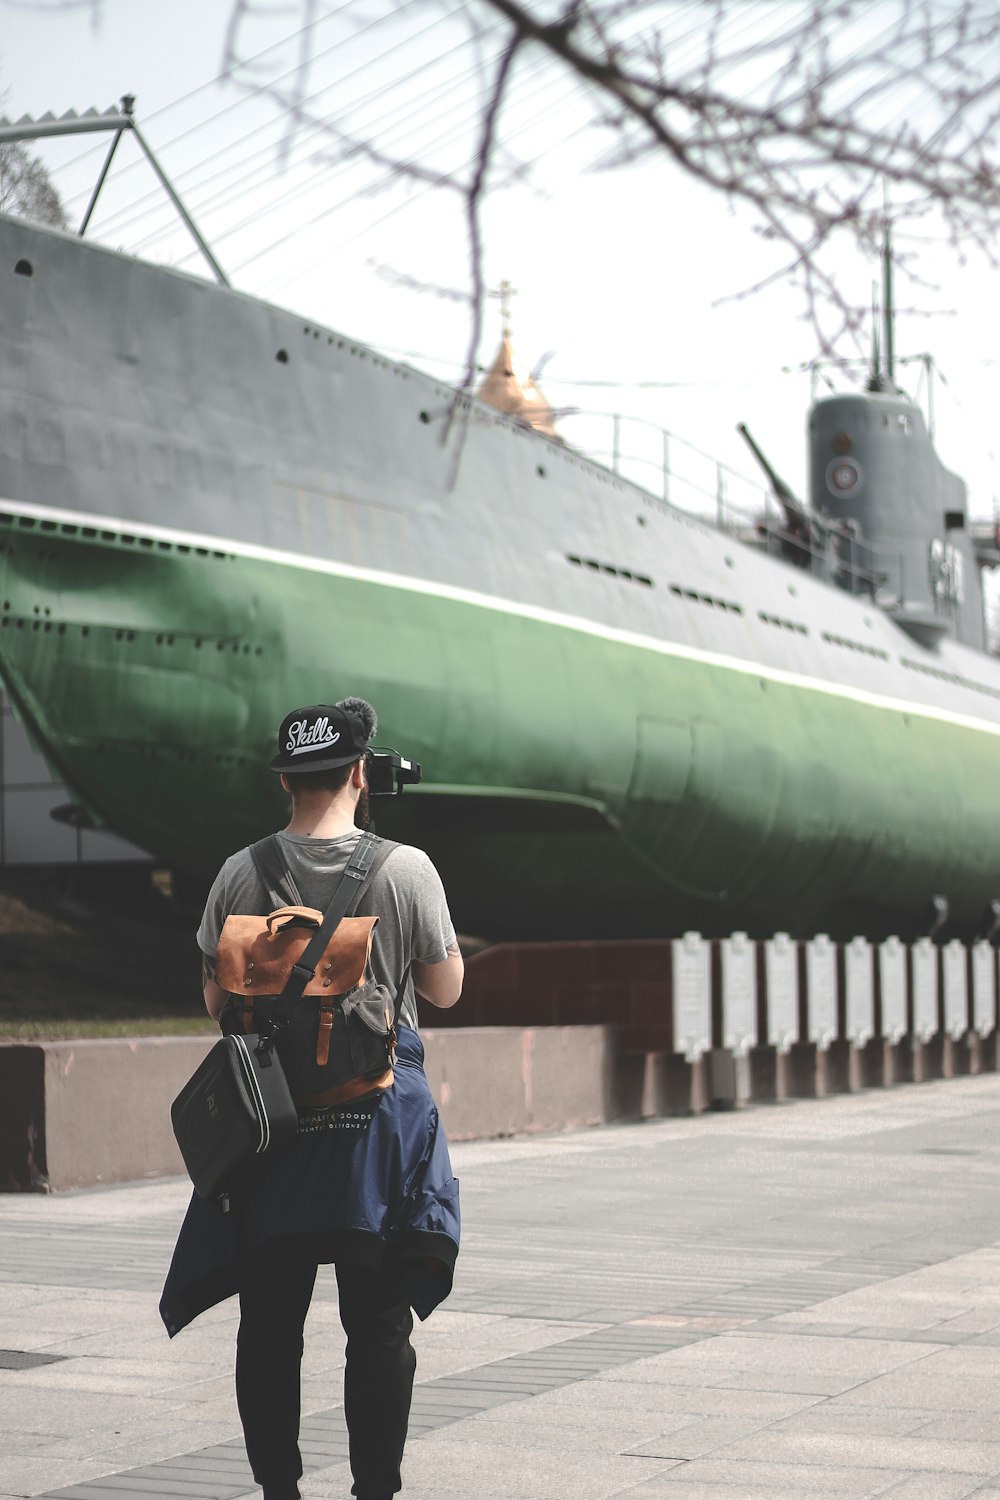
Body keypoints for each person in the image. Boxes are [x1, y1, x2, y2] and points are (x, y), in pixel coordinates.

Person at [160, 697, 463, 1500]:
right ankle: (374, 1492)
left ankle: (280, 1493)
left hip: (274, 1132)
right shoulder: (406, 869)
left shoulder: (239, 872)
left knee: (269, 1327)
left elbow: (218, 1007)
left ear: (286, 780)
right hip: (373, 1134)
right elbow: (447, 988)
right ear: (361, 773)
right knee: (377, 1328)